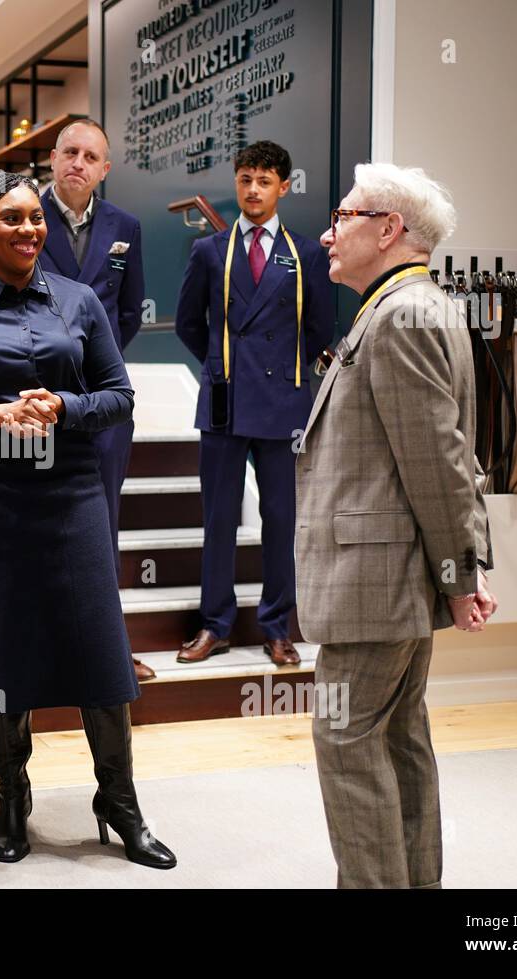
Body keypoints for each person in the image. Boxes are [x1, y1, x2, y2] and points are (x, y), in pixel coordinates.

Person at [0, 170, 176, 869]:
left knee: (99, 648)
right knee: (3, 650)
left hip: (73, 496)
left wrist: (63, 407)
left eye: (36, 218)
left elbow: (118, 397)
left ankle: (119, 800)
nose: (31, 230)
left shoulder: (82, 301)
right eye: (13, 219)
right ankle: (11, 792)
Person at [300, 162, 497, 887]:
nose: (327, 231)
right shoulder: (411, 307)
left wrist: (460, 575)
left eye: (343, 215)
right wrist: (458, 571)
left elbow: (438, 462)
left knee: (348, 741)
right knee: (399, 738)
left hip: (375, 585)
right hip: (387, 580)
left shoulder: (403, 315)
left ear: (388, 229)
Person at [174, 140, 334, 667]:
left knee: (280, 518)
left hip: (282, 404)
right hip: (223, 401)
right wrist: (223, 367)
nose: (253, 190)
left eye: (264, 181)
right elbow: (188, 325)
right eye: (245, 179)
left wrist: (277, 374)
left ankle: (277, 626)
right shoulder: (209, 252)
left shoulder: (307, 254)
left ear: (283, 187)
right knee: (218, 518)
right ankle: (214, 624)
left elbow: (319, 331)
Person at [39, 119, 154, 683]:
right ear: (53, 158)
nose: (79, 163)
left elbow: (130, 312)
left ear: (104, 169)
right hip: (34, 400)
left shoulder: (124, 226)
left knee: (101, 524)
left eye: (91, 157)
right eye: (70, 153)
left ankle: (106, 648)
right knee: (38, 519)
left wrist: (99, 369)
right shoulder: (23, 215)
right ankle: (43, 644)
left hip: (104, 407)